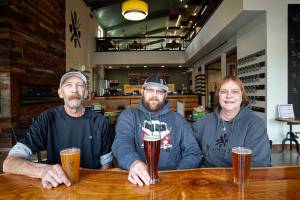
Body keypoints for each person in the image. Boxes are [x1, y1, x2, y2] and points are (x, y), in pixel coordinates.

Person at [3, 71, 113, 189]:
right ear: (60, 93)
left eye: (80, 85)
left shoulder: (100, 121)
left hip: (91, 186)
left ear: (86, 93)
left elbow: (107, 166)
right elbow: (9, 163)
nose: (74, 90)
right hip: (57, 186)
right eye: (68, 85)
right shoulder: (47, 118)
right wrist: (43, 171)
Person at [112, 75, 201, 186]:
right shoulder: (129, 116)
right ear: (142, 91)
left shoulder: (178, 120)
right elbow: (122, 143)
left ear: (165, 95)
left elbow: (193, 152)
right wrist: (133, 163)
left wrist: (178, 174)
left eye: (159, 91)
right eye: (150, 90)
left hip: (174, 182)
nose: (154, 95)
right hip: (138, 181)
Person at [192, 75, 271, 167]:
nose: (229, 96)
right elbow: (191, 153)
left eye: (235, 92)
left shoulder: (255, 124)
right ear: (218, 96)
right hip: (208, 177)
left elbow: (259, 164)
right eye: (223, 92)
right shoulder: (202, 123)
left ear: (242, 96)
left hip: (241, 178)